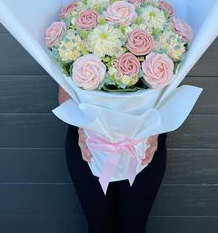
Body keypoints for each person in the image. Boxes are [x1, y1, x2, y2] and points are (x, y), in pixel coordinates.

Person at [59, 85, 167, 233]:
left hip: (142, 143)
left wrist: (156, 129)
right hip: (90, 141)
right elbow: (65, 92)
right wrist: (81, 124)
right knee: (99, 227)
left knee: (134, 227)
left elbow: (168, 90)